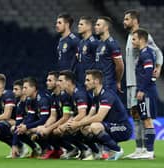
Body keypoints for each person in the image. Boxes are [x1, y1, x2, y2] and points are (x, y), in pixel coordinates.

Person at [123, 9, 163, 158]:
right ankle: (139, 148)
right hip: (131, 82)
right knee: (136, 116)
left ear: (134, 20)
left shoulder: (143, 37)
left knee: (143, 116)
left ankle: (147, 149)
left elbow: (158, 52)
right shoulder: (130, 37)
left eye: (127, 19)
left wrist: (158, 67)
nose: (124, 22)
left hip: (139, 84)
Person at [68, 69, 132, 160]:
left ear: (96, 81)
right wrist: (75, 124)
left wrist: (77, 123)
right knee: (84, 128)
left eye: (88, 80)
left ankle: (116, 150)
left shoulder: (107, 94)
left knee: (95, 126)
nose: (85, 83)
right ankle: (97, 152)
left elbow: (99, 117)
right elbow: (90, 115)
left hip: (123, 128)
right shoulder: (95, 95)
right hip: (109, 126)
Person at [132, 28, 158, 159]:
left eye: (134, 39)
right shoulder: (145, 53)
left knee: (147, 120)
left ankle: (150, 151)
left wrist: (141, 89)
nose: (132, 41)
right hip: (144, 90)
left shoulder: (146, 54)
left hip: (146, 92)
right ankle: (147, 151)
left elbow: (148, 73)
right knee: (145, 119)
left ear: (142, 39)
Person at [16, 77, 51, 157]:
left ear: (34, 88)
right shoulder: (30, 100)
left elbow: (44, 119)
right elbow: (30, 117)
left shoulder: (42, 99)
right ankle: (38, 149)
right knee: (19, 129)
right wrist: (23, 125)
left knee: (34, 129)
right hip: (43, 123)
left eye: (25, 88)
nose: (23, 90)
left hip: (50, 123)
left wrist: (27, 126)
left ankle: (50, 148)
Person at [95, 16, 124, 92]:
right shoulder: (99, 43)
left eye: (98, 25)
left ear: (106, 27)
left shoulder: (112, 44)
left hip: (108, 84)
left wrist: (117, 81)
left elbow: (120, 66)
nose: (95, 27)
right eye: (96, 25)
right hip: (99, 84)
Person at [0, 74, 16, 156]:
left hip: (20, 121)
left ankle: (20, 146)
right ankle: (16, 147)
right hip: (7, 122)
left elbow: (7, 115)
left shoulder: (8, 94)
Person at [76, 16, 98, 87]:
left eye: (81, 24)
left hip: (91, 82)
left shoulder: (94, 42)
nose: (78, 26)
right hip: (81, 80)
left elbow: (99, 63)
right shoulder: (81, 42)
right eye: (78, 24)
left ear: (88, 27)